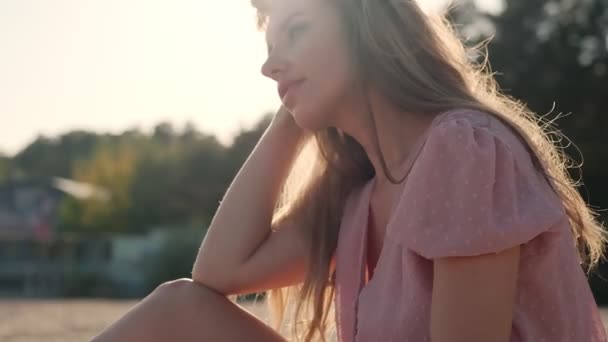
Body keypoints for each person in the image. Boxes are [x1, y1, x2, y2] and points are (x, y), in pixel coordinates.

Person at [92, 0, 608, 341]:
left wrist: (301, 90)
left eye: (297, 31)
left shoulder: (462, 148)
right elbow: (217, 275)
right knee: (179, 307)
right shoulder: (358, 198)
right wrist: (290, 117)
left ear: (367, 27)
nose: (270, 65)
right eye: (271, 51)